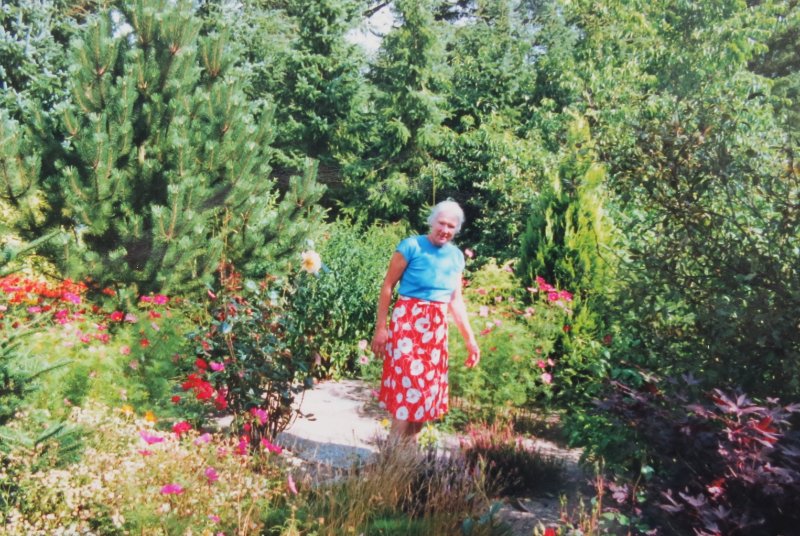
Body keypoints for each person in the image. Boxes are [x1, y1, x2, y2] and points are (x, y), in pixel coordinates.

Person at [371, 200, 480, 442]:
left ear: (456, 229)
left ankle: (409, 454)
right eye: (441, 223)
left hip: (436, 331)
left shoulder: (456, 257)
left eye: (451, 226)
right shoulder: (411, 246)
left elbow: (456, 301)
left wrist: (470, 341)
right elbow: (388, 286)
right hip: (407, 325)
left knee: (425, 392)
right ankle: (392, 452)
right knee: (407, 386)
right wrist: (381, 328)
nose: (445, 230)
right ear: (432, 221)